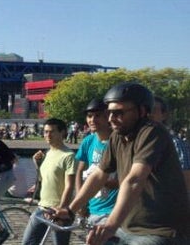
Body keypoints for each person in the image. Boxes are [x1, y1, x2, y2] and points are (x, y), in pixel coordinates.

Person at [53, 83, 190, 244]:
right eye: (109, 112)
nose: (111, 118)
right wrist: (70, 210)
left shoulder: (152, 132)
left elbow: (134, 180)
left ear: (142, 111)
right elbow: (98, 175)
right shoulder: (117, 137)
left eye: (119, 112)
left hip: (160, 230)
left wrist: (110, 225)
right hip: (127, 227)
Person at [21, 118, 75, 245]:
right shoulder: (47, 153)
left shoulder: (68, 155)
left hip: (59, 209)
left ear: (62, 133)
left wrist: (62, 209)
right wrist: (37, 164)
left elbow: (69, 185)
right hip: (42, 207)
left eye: (52, 131)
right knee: (28, 242)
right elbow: (44, 179)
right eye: (45, 132)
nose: (48, 135)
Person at [74, 99, 118, 231]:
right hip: (93, 208)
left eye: (97, 115)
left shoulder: (119, 141)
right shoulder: (88, 141)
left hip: (114, 210)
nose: (92, 120)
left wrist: (108, 183)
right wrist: (81, 202)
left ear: (108, 116)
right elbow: (80, 173)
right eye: (89, 116)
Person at [150, 96, 190, 201]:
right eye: (146, 109)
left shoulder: (175, 144)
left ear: (164, 115)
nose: (149, 114)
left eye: (153, 110)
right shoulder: (136, 142)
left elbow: (186, 179)